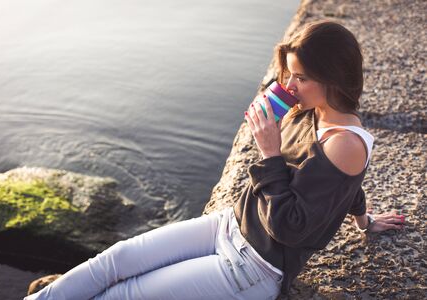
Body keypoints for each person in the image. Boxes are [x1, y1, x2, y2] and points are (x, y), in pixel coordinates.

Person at [25, 20, 404, 300]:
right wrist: (364, 220)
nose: (289, 87)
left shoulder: (345, 143)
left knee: (126, 295)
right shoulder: (313, 113)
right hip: (229, 226)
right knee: (114, 260)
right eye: (288, 75)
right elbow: (343, 189)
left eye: (300, 78)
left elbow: (290, 228)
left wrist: (270, 152)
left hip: (253, 268)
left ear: (334, 77)